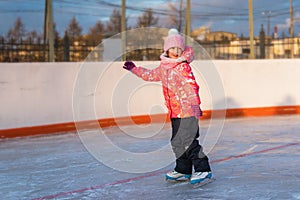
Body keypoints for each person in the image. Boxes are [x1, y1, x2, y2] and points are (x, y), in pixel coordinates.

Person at [122, 29, 212, 185]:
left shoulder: (183, 67)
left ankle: (203, 169)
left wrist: (195, 105)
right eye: (172, 49)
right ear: (166, 50)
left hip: (188, 112)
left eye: (178, 49)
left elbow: (192, 87)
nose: (176, 53)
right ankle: (183, 170)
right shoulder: (164, 68)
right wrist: (134, 69)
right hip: (175, 112)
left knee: (189, 142)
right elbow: (150, 75)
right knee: (177, 141)